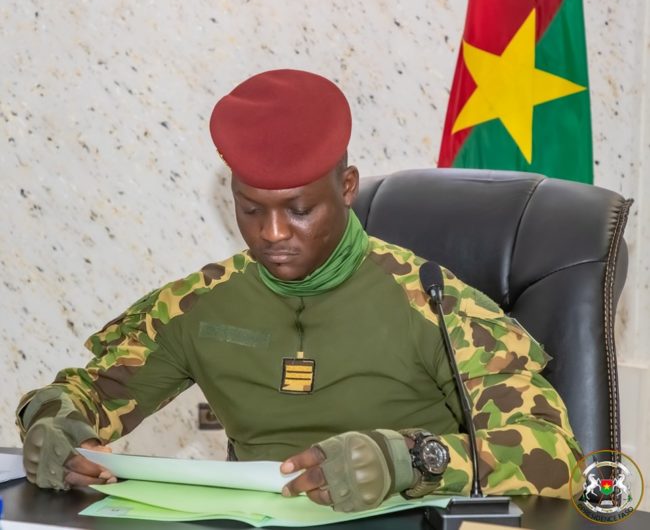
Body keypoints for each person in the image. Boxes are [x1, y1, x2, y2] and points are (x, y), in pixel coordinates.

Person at [16, 69, 582, 513]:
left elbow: (554, 454)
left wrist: (409, 459)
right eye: (250, 210)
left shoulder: (434, 303)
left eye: (300, 209)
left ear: (348, 188)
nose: (273, 233)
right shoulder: (198, 304)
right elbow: (81, 397)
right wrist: (53, 428)